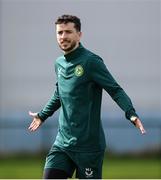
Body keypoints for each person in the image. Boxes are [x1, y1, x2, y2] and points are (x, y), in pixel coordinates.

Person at [28, 14, 146, 179]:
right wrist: (42, 115)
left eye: (68, 32)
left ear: (79, 35)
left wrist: (131, 113)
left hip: (89, 147)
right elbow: (59, 94)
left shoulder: (91, 62)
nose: (63, 37)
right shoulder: (59, 63)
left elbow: (115, 90)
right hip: (63, 144)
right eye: (59, 32)